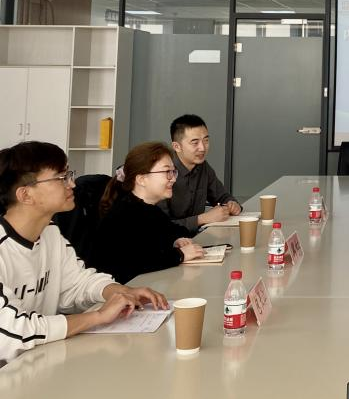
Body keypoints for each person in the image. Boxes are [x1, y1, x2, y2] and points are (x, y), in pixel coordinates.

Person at [0, 141, 168, 365]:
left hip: (35, 363)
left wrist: (119, 291)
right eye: (61, 178)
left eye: (69, 175)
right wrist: (97, 317)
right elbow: (14, 332)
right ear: (25, 195)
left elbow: (77, 282)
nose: (72, 184)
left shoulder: (49, 233)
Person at [88, 142, 205, 284]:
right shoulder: (125, 213)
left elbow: (174, 230)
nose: (173, 179)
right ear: (142, 179)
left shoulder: (150, 210)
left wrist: (176, 240)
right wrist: (179, 255)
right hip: (122, 290)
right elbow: (138, 260)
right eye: (167, 172)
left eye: (174, 171)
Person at [158, 114, 241, 233]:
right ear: (177, 146)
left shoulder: (203, 166)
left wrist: (232, 204)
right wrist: (202, 219)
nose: (202, 148)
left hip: (198, 237)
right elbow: (160, 226)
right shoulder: (162, 173)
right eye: (195, 142)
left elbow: (222, 196)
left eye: (206, 140)